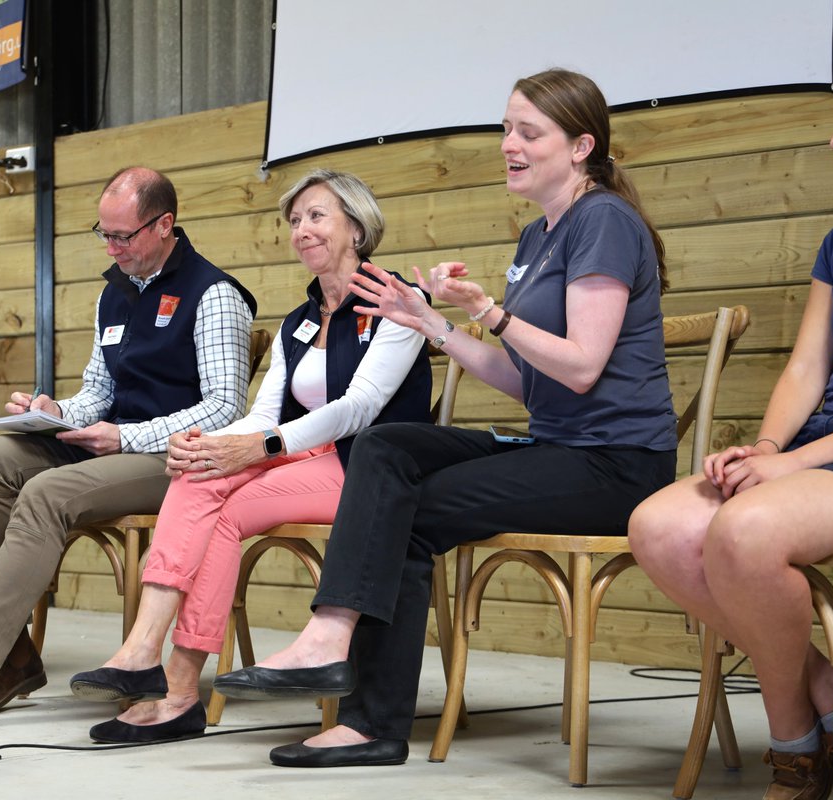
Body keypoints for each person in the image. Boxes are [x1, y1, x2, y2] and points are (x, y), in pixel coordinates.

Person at [213, 68, 678, 767]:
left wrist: (489, 313)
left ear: (581, 145)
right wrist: (433, 324)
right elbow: (527, 381)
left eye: (529, 132)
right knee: (389, 448)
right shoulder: (536, 236)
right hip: (559, 444)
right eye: (506, 129)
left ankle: (361, 702)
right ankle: (336, 650)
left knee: (406, 509)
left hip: (618, 463)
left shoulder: (604, 221)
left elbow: (581, 365)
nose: (509, 144)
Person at [628, 52, 833, 800]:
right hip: (826, 446)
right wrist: (768, 449)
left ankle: (794, 746)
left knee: (747, 532)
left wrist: (792, 468)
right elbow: (806, 370)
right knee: (659, 528)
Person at [0, 166, 257, 730]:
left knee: (46, 492)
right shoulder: (114, 293)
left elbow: (225, 411)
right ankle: (11, 651)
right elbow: (100, 390)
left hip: (178, 461)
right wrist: (58, 413)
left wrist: (126, 435)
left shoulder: (214, 295)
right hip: (114, 446)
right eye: (104, 234)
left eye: (124, 236)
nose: (112, 248)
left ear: (165, 225)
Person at [66, 168, 433, 744]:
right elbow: (265, 413)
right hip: (304, 456)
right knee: (197, 474)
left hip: (369, 468)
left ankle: (180, 688)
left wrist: (260, 446)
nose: (301, 230)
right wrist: (214, 445)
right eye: (294, 221)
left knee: (228, 509)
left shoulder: (399, 304)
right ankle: (144, 650)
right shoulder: (301, 320)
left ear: (358, 228)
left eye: (316, 216)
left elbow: (360, 408)